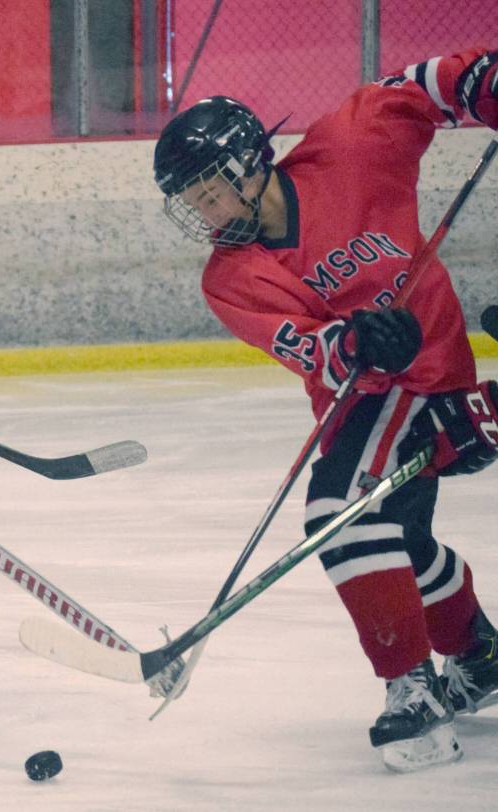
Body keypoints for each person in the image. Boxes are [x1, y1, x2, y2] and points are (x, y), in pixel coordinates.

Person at [152, 48, 498, 771]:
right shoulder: (230, 276)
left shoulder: (348, 145)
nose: (206, 211)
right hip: (366, 399)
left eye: (211, 188)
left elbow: (429, 85)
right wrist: (356, 339)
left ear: (251, 163)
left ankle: (412, 688)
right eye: (192, 200)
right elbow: (318, 352)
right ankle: (478, 652)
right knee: (397, 534)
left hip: (432, 376)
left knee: (340, 505)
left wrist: (482, 83)